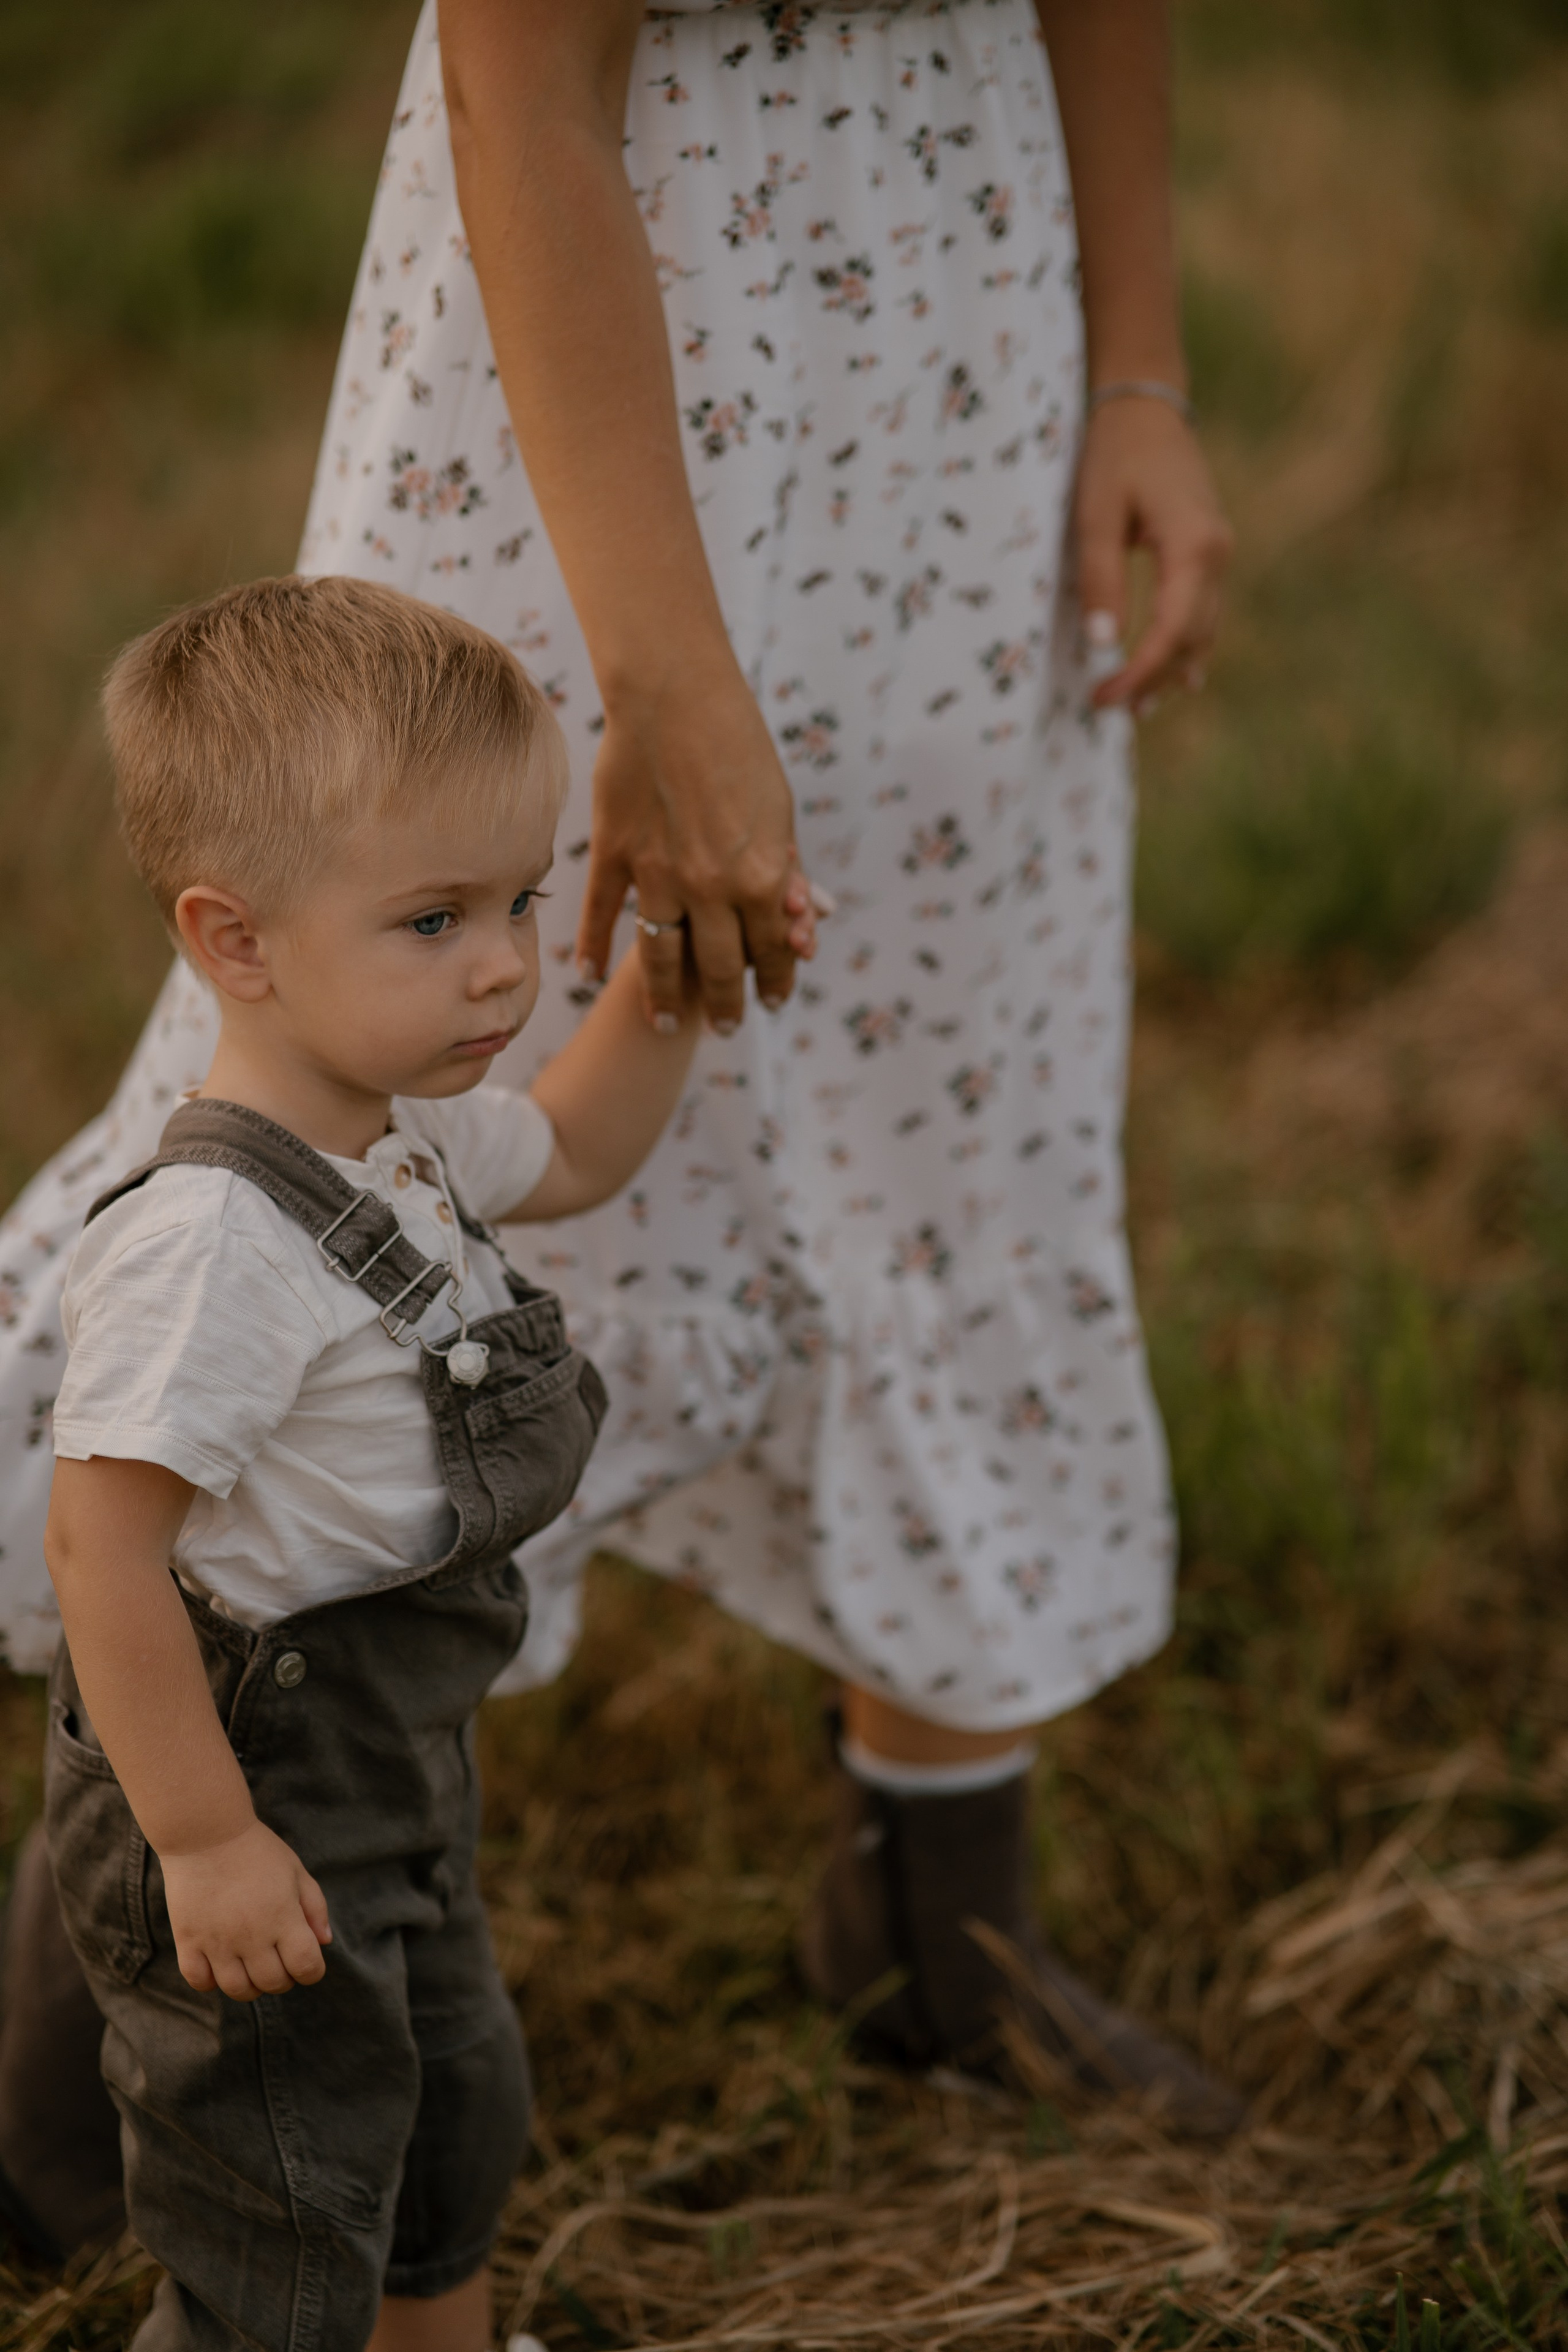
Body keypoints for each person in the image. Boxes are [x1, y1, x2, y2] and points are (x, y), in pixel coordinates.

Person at [0, 0, 1240, 2255]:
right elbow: (528, 73)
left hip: (964, 356)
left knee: (951, 1095)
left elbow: (572, 1139)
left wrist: (1133, 371)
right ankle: (119, 1965)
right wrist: (664, 673)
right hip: (610, 364)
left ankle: (938, 1907)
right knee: (381, 1012)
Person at [37, 573, 778, 2351]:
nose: (508, 961)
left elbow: (584, 1148)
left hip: (396, 1764)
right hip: (256, 1779)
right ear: (237, 943)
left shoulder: (403, 1128)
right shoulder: (212, 1240)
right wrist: (206, 1842)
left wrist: (668, 983)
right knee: (280, 2194)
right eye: (438, 917)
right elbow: (99, 1557)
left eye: (520, 901)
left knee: (447, 2110)